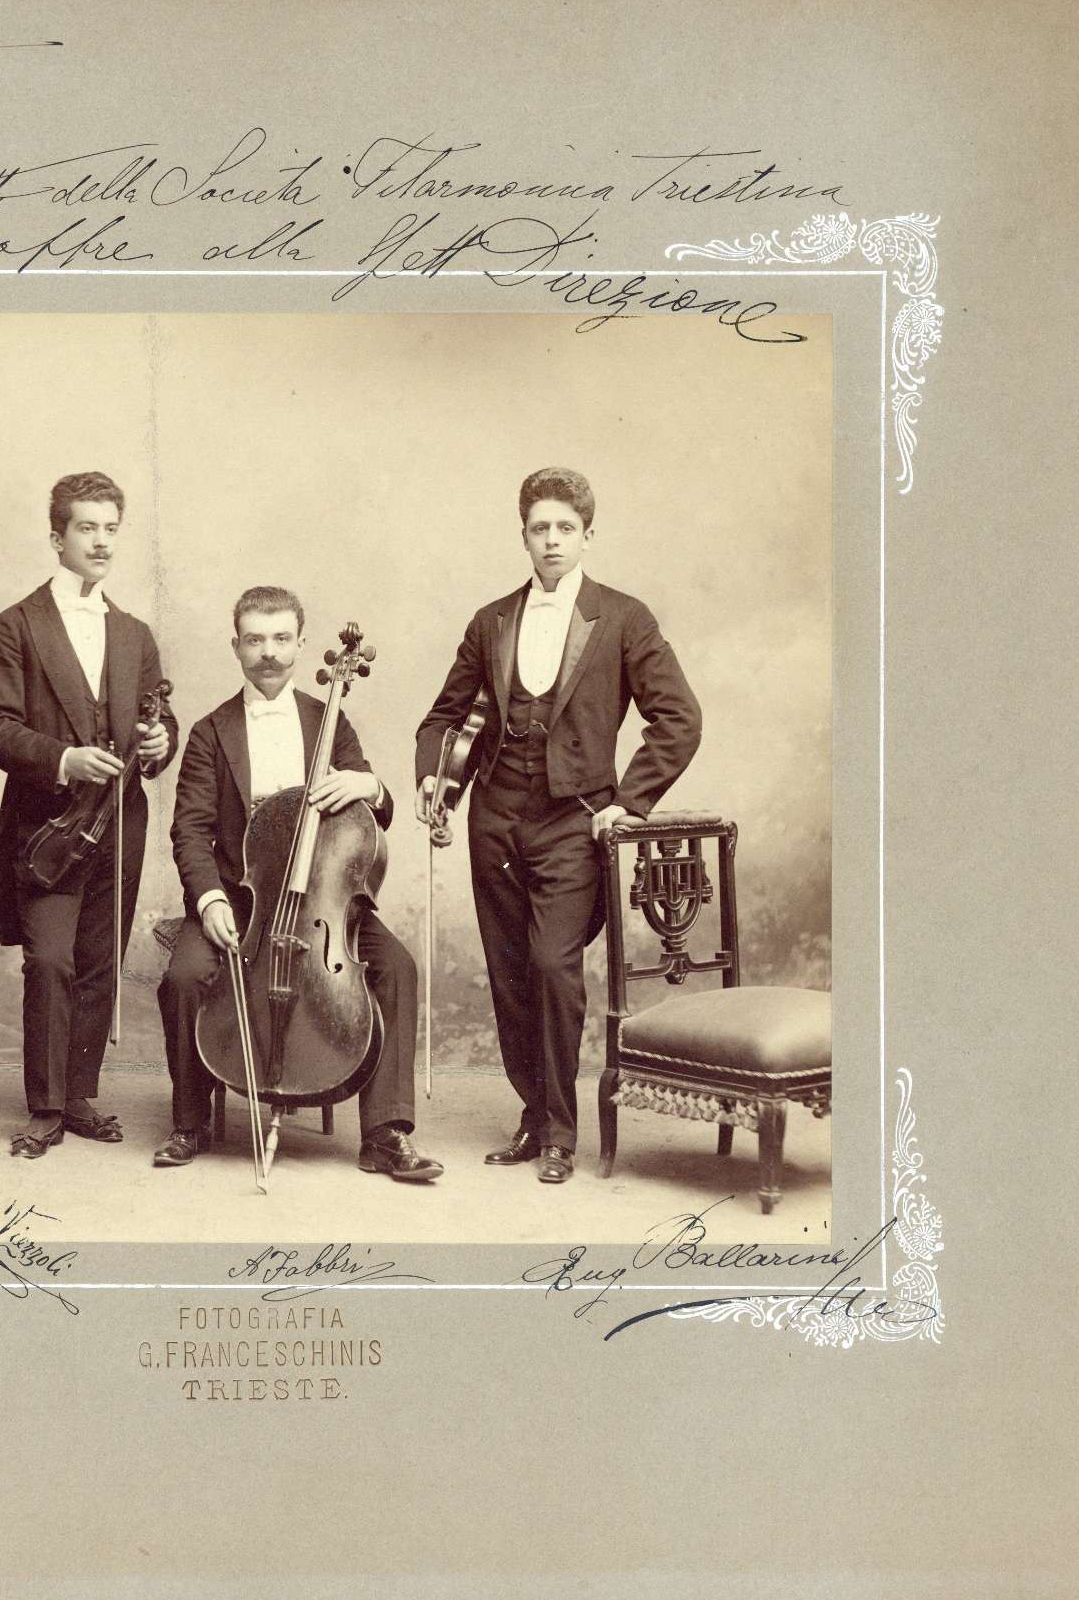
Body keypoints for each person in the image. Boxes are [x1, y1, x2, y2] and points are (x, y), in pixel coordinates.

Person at [414, 467, 700, 1185]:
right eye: (539, 528)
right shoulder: (491, 621)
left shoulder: (624, 618)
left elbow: (679, 718)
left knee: (551, 967)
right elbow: (446, 717)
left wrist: (629, 802)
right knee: (510, 973)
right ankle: (534, 1117)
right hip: (495, 818)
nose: (551, 540)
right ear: (523, 536)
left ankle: (561, 1134)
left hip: (574, 823)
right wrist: (436, 778)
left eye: (565, 528)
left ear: (587, 536)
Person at [153, 586, 443, 1182]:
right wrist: (209, 899)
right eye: (255, 640)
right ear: (236, 646)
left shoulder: (328, 718)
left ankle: (386, 1134)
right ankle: (189, 1123)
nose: (269, 652)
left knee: (397, 968)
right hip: (241, 900)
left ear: (301, 644)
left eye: (281, 639)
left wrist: (371, 786)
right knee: (183, 978)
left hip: (325, 900)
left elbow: (375, 811)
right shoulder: (211, 732)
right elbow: (190, 830)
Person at [0, 472, 177, 1158]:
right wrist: (64, 758)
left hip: (120, 822)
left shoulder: (134, 633)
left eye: (110, 529)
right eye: (87, 528)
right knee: (50, 961)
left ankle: (78, 1095)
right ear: (57, 536)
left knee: (98, 960)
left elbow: (158, 718)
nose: (101, 542)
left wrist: (161, 742)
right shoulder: (17, 625)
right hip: (48, 827)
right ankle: (45, 1105)